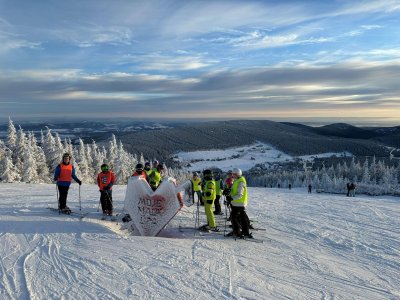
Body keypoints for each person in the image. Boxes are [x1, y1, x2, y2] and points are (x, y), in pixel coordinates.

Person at [226, 168, 251, 238]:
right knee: (242, 217)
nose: (232, 176)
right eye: (232, 174)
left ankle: (237, 232)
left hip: (239, 203)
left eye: (234, 174)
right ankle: (245, 232)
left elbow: (240, 194)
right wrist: (228, 191)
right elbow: (234, 190)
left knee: (233, 217)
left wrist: (231, 198)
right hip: (237, 203)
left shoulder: (240, 182)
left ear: (237, 174)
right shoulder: (237, 180)